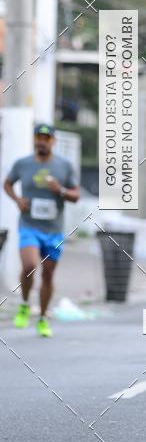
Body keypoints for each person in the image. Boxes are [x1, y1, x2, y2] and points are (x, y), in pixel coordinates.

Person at [4, 124, 80, 337]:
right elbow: (7, 184)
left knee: (48, 273)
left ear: (53, 142)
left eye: (46, 138)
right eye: (38, 137)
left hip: (54, 230)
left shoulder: (64, 166)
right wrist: (17, 200)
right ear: (34, 140)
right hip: (29, 226)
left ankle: (43, 317)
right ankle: (25, 304)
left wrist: (61, 190)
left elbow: (76, 195)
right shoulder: (23, 164)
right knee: (29, 265)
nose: (41, 142)